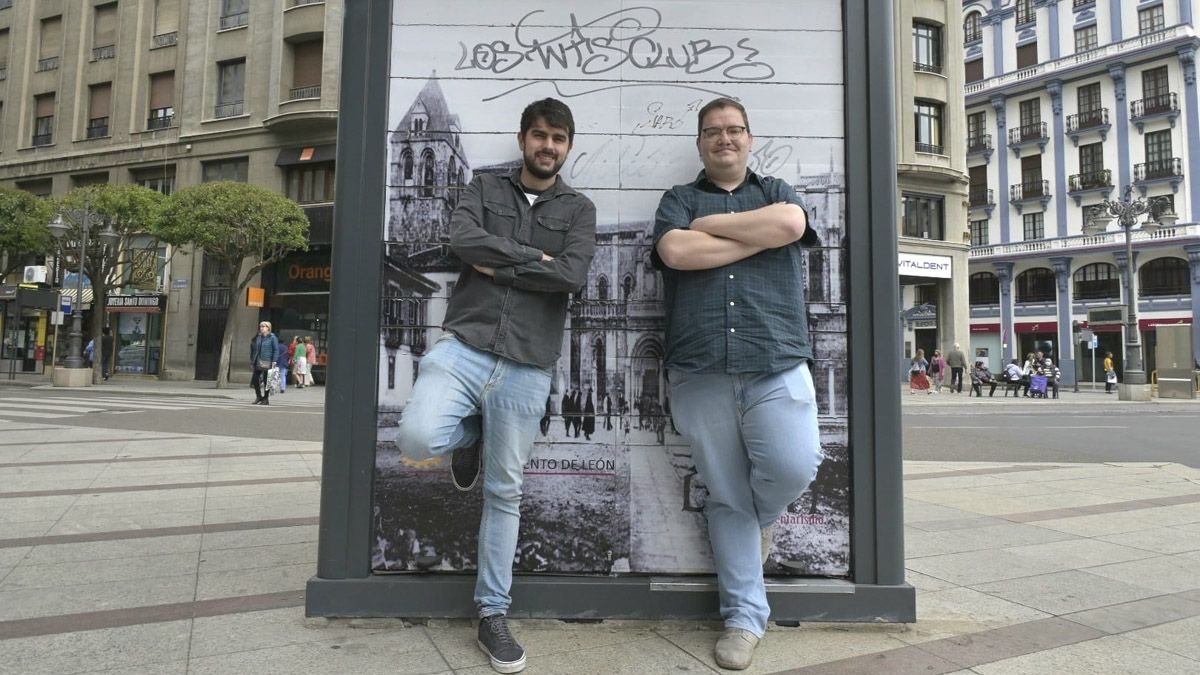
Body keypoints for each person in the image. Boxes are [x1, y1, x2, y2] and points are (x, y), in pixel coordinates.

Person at [392, 98, 596, 674]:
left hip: (529, 362)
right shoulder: (481, 187)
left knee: (505, 491)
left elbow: (572, 275)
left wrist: (500, 260)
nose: (547, 146)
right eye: (539, 135)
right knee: (415, 438)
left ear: (568, 146)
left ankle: (492, 614)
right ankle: (469, 430)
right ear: (523, 138)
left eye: (558, 137)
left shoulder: (579, 210)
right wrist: (536, 259)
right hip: (465, 345)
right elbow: (462, 241)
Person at [652, 97, 823, 670]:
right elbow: (675, 250)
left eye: (734, 130)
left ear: (750, 138)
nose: (724, 139)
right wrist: (758, 238)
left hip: (775, 356)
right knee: (726, 494)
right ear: (700, 143)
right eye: (712, 132)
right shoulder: (678, 201)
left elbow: (792, 225)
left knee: (796, 464)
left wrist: (714, 229)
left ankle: (765, 520)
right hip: (700, 366)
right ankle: (745, 619)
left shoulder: (776, 191)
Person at [250, 321, 279, 405]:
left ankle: (265, 398)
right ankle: (258, 396)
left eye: (264, 326)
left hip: (267, 360)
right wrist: (253, 361)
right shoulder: (258, 337)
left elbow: (276, 350)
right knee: (255, 380)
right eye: (261, 326)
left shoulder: (272, 337)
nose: (261, 328)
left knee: (267, 381)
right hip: (258, 360)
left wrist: (274, 360)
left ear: (268, 328)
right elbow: (255, 349)